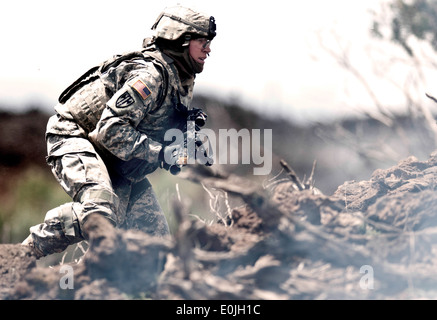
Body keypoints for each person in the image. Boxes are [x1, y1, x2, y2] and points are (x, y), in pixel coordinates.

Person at [21, 5, 216, 258]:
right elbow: (110, 130)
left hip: (116, 159)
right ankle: (21, 255)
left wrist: (184, 141)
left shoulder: (179, 78)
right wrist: (163, 153)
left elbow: (148, 127)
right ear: (181, 40)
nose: (208, 49)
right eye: (203, 42)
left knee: (157, 252)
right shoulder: (150, 76)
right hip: (74, 135)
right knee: (99, 212)